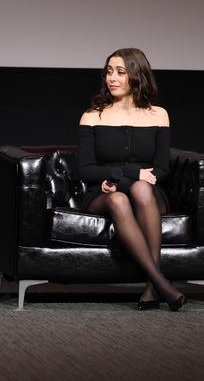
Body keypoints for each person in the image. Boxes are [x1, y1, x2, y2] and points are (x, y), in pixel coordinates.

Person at [78, 48, 186, 311]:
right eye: (108, 72)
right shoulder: (92, 116)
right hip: (103, 193)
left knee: (139, 189)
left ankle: (152, 287)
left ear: (137, 76)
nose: (111, 78)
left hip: (145, 193)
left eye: (120, 72)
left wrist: (126, 178)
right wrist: (130, 175)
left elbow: (161, 169)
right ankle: (161, 283)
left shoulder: (158, 115)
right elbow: (85, 170)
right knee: (118, 199)